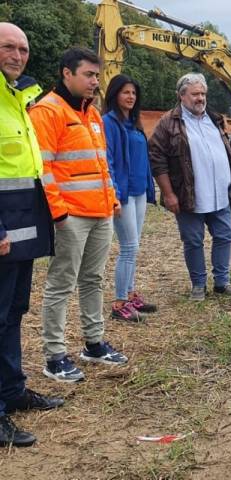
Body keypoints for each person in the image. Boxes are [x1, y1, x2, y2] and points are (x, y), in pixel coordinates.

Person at [30, 47, 128, 383]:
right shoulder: (47, 111)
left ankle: (94, 342)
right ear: (66, 74)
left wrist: (112, 200)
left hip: (100, 212)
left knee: (93, 279)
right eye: (88, 75)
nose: (94, 81)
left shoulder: (92, 114)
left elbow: (101, 165)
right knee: (61, 283)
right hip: (71, 216)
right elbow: (42, 168)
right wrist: (59, 213)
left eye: (96, 75)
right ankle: (55, 355)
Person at [0, 22, 63, 448]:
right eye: (8, 46)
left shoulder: (20, 98)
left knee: (13, 312)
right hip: (3, 230)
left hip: (22, 229)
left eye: (22, 48)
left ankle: (11, 391)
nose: (17, 54)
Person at [149, 73, 231, 301]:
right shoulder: (168, 122)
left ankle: (222, 282)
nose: (200, 98)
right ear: (182, 96)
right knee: (193, 240)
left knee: (224, 235)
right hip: (189, 195)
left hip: (220, 193)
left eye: (203, 93)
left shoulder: (215, 118)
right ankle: (198, 285)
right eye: (195, 94)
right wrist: (169, 194)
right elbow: (156, 158)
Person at [103, 74, 157, 322]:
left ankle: (131, 294)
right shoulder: (109, 123)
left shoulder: (134, 124)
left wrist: (149, 188)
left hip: (138, 192)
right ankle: (119, 302)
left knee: (134, 247)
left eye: (134, 93)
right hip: (122, 194)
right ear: (115, 94)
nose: (131, 97)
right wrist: (114, 192)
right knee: (128, 247)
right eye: (126, 92)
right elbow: (108, 159)